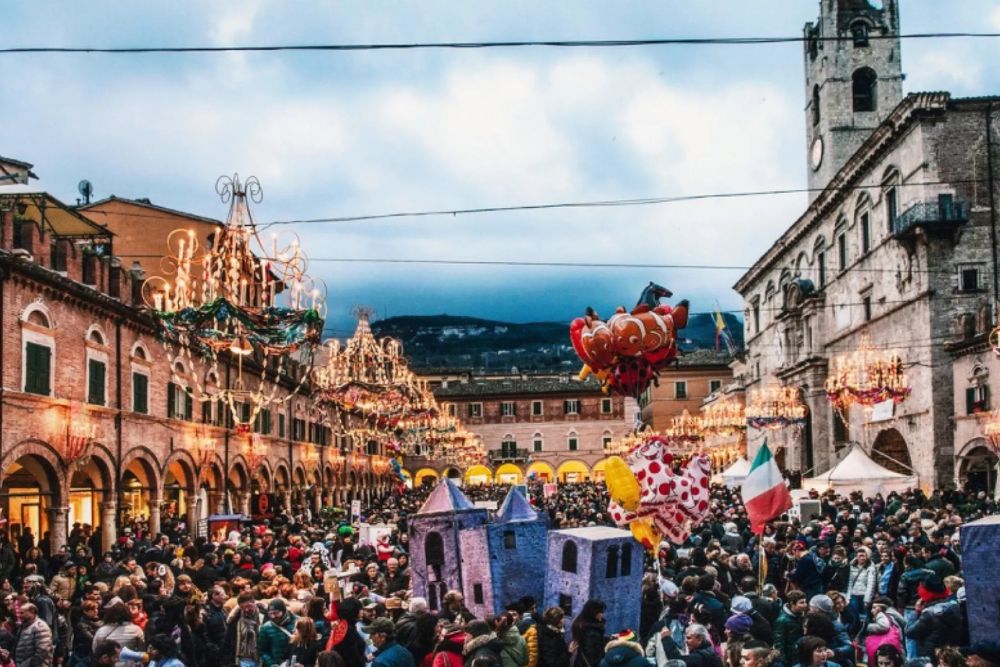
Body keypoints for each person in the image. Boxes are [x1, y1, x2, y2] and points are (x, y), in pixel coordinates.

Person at [904, 576, 962, 662]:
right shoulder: (954, 606)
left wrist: (916, 613)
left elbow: (910, 632)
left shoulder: (929, 614)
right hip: (950, 653)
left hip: (930, 655)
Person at [258, 599, 298, 667]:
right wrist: (271, 664)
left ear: (284, 611)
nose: (273, 616)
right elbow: (262, 650)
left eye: (276, 613)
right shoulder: (265, 628)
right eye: (270, 614)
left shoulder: (297, 623)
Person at [226, 591, 262, 667]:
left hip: (260, 657)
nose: (246, 610)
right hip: (242, 659)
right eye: (243, 607)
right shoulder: (234, 620)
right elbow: (229, 642)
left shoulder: (263, 616)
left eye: (248, 606)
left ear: (254, 602)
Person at [773, 590, 807, 667]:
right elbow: (779, 644)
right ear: (792, 603)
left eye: (805, 602)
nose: (805, 605)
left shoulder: (802, 616)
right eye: (801, 603)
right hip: (790, 660)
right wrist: (784, 662)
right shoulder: (782, 620)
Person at [14, 603, 53, 667]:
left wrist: (26, 665)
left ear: (32, 612)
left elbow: (42, 651)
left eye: (22, 613)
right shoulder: (22, 626)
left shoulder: (41, 627)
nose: (19, 616)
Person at [571, 600, 607, 667]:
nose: (602, 615)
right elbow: (593, 655)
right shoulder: (591, 631)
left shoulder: (584, 626)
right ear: (593, 613)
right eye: (601, 612)